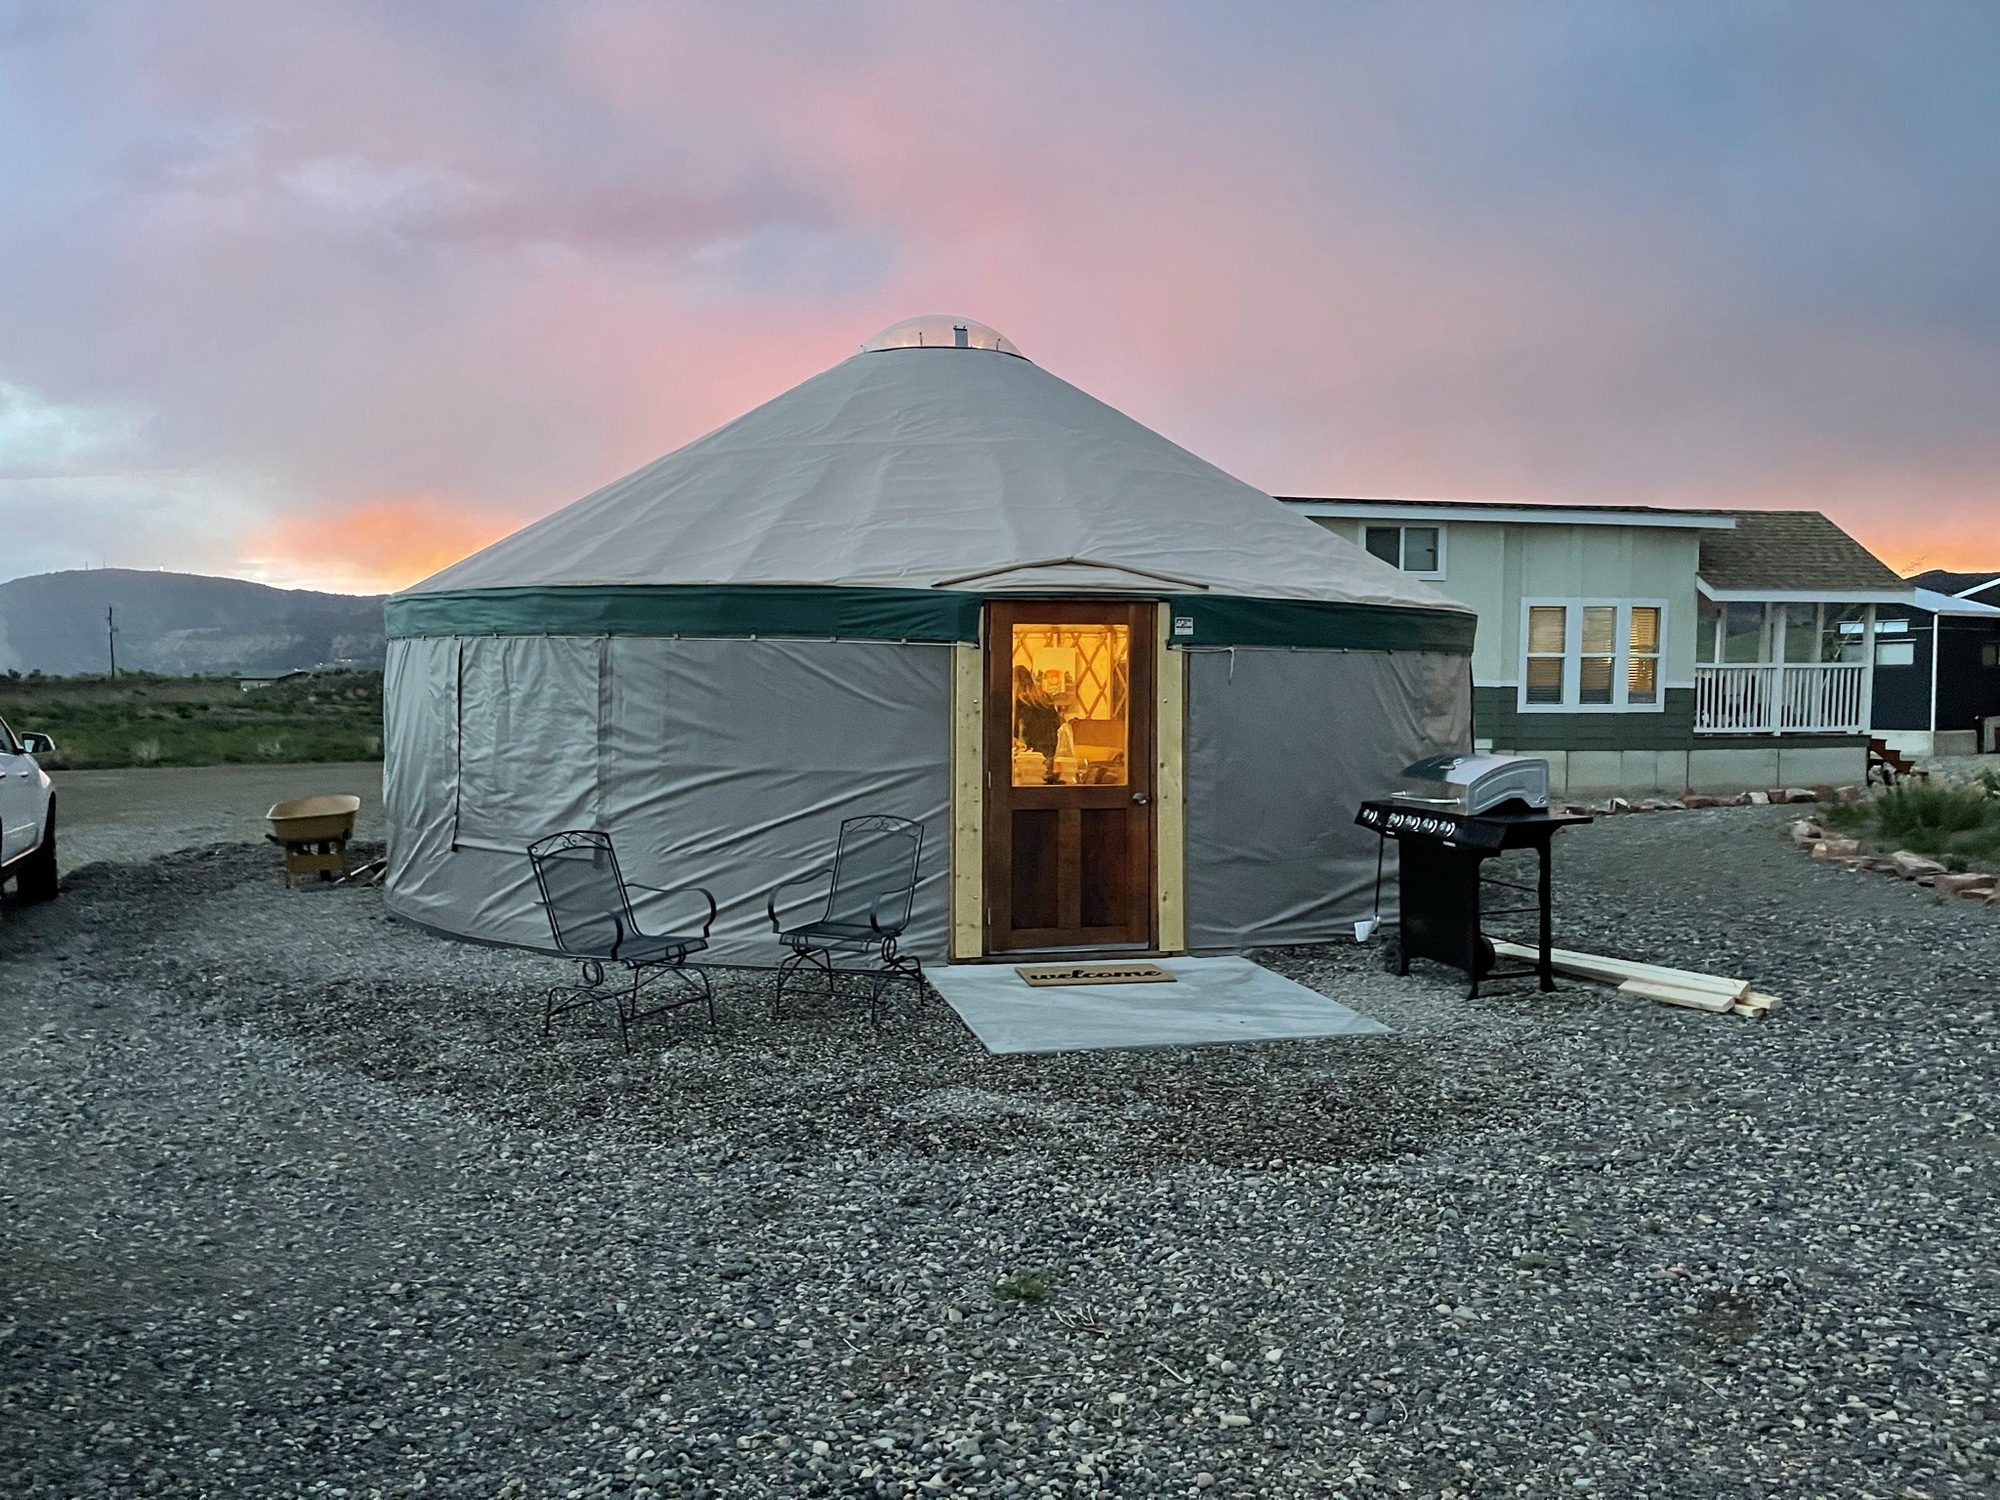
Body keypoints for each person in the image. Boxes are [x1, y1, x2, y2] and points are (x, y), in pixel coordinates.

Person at [1013, 664, 1064, 780]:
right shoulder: (1045, 699)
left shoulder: (1019, 703)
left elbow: (1014, 731)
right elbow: (1057, 724)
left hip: (1029, 758)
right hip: (1050, 753)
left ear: (1015, 682)